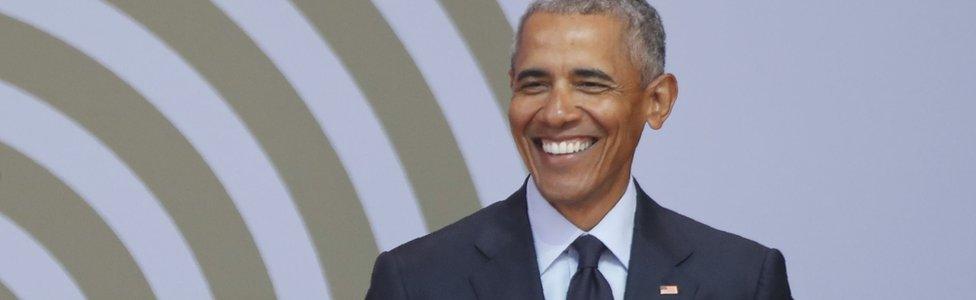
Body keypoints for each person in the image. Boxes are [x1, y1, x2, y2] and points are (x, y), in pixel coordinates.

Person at [366, 1, 792, 299]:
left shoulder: (741, 280)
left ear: (657, 101)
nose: (555, 113)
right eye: (534, 84)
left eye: (590, 84)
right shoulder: (417, 281)